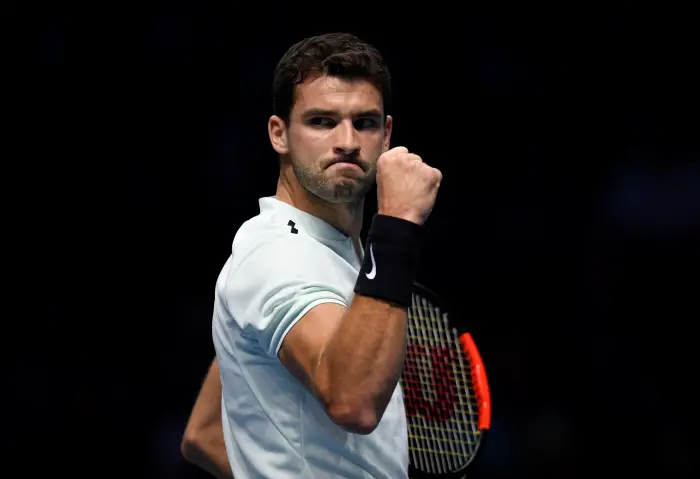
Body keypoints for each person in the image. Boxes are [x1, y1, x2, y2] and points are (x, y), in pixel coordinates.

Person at [193, 32, 441, 478]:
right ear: (279, 134)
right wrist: (399, 222)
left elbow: (206, 433)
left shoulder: (339, 257)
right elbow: (355, 401)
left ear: (386, 135)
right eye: (322, 121)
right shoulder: (276, 255)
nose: (347, 140)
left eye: (364, 123)